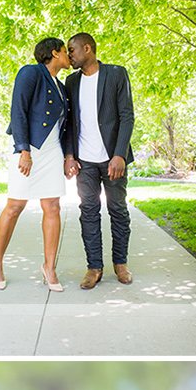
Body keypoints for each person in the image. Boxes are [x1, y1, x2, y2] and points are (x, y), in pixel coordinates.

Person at [0, 37, 71, 292]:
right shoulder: (30, 72)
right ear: (54, 52)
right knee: (15, 205)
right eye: (66, 51)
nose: (70, 56)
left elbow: (65, 126)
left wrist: (68, 156)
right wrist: (23, 149)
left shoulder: (62, 86)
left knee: (53, 206)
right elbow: (18, 110)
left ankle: (49, 267)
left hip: (52, 151)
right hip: (30, 149)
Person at [64, 33, 135, 290]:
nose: (69, 55)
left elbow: (127, 116)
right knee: (89, 212)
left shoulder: (116, 74)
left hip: (112, 159)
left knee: (118, 210)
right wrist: (69, 155)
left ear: (88, 48)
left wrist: (120, 154)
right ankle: (94, 267)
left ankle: (120, 263)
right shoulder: (71, 82)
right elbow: (69, 123)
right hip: (84, 162)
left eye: (72, 50)